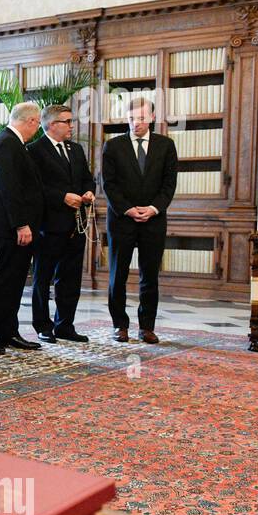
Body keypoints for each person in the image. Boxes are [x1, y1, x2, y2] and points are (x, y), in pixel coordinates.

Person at [101, 96, 178, 344]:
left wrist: (154, 208)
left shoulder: (166, 146)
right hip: (122, 220)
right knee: (117, 276)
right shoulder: (113, 146)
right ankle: (119, 325)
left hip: (153, 221)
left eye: (142, 118)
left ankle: (146, 327)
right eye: (132, 118)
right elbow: (109, 185)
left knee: (149, 276)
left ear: (152, 117)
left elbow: (169, 184)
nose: (136, 123)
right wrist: (128, 209)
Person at [0, 102, 45, 355]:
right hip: (11, 228)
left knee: (15, 282)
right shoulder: (6, 143)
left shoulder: (12, 142)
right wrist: (21, 224)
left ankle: (8, 331)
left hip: (16, 227)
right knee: (6, 282)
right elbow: (9, 189)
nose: (37, 128)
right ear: (29, 121)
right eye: (38, 123)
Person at [27, 104, 95, 343]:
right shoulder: (34, 150)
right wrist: (61, 197)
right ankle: (43, 325)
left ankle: (65, 325)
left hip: (76, 226)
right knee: (43, 278)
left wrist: (88, 192)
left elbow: (87, 178)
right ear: (52, 124)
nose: (72, 126)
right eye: (67, 121)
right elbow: (34, 188)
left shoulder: (75, 149)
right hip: (49, 226)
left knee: (70, 278)